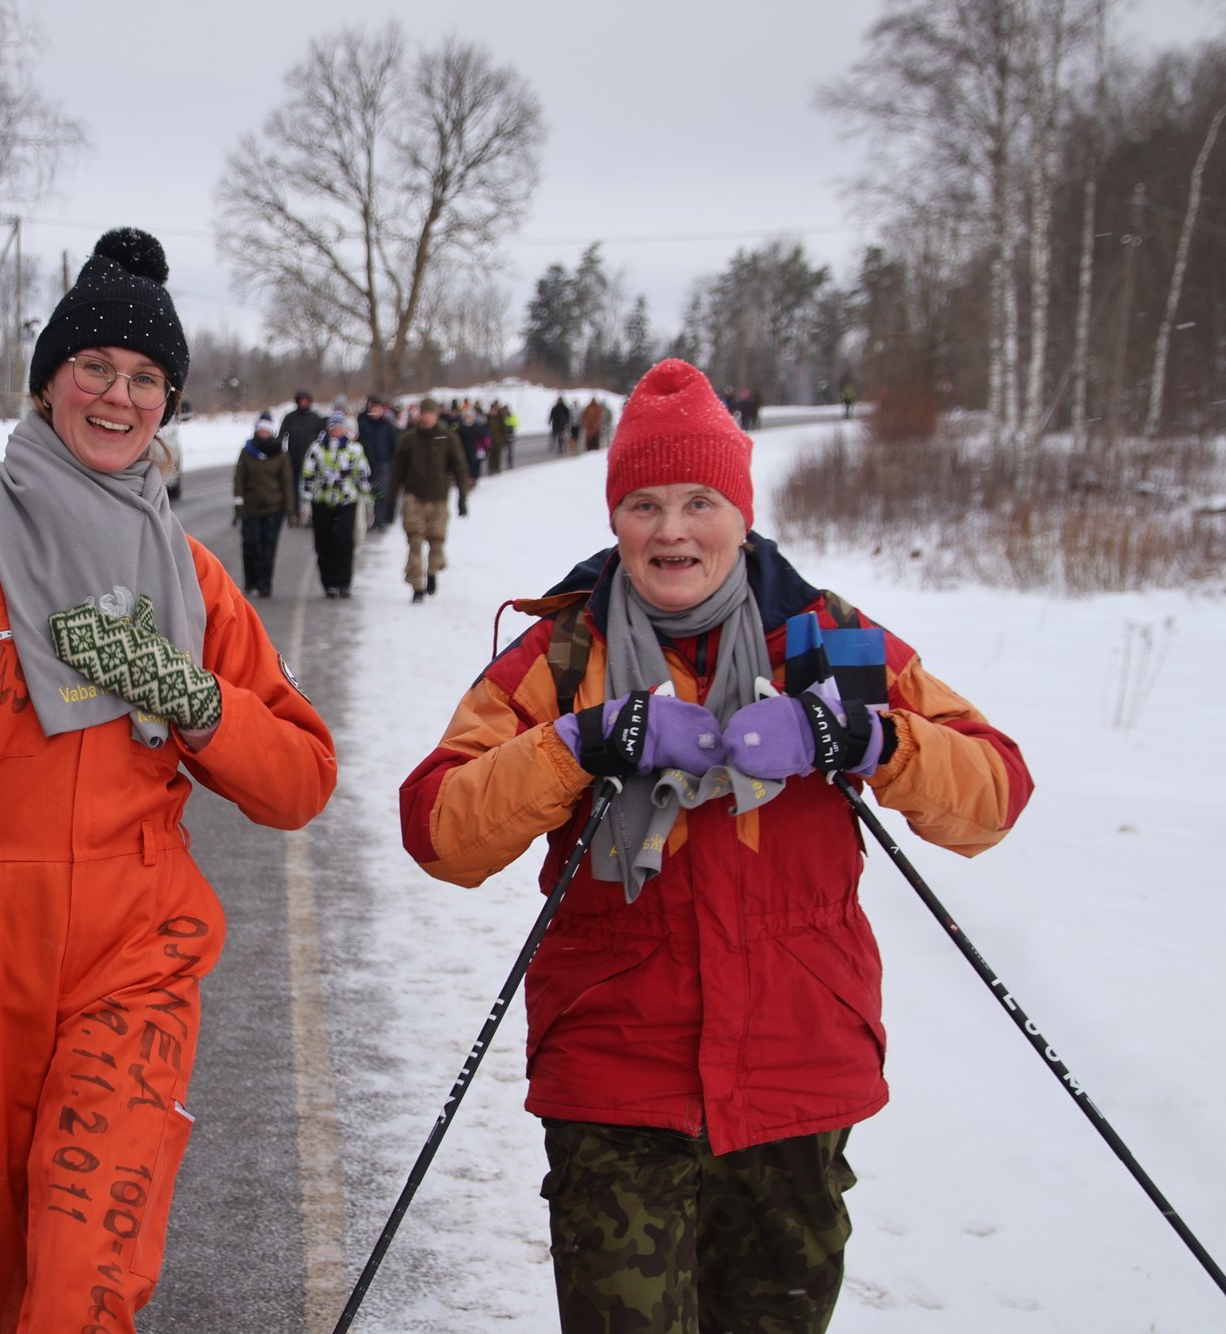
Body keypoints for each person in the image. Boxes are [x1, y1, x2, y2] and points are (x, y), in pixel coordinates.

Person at [397, 357, 1032, 1333]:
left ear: (739, 509)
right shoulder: (565, 656)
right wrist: (579, 742)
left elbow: (990, 793)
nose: (671, 529)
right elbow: (440, 826)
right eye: (643, 502)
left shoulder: (829, 640)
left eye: (699, 499)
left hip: (793, 1074)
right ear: (614, 516)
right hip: (614, 1076)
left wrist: (860, 735)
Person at [0, 227, 338, 1334]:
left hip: (132, 950)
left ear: (166, 405)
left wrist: (190, 695)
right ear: (47, 381)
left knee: (83, 1290)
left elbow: (299, 780)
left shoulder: (190, 579)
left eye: (144, 380)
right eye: (93, 367)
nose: (116, 396)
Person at [387, 396, 472, 604]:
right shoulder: (409, 439)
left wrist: (463, 497)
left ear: (436, 415)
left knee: (436, 543)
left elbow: (460, 468)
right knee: (415, 542)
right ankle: (417, 586)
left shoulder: (448, 438)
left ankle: (432, 572)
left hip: (438, 499)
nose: (427, 418)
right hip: (414, 498)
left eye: (431, 414)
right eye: (424, 413)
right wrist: (390, 501)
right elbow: (397, 471)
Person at [298, 410, 371, 598]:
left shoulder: (354, 449)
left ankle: (344, 582)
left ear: (345, 429)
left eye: (340, 427)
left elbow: (362, 475)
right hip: (321, 502)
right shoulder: (317, 449)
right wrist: (305, 500)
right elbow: (308, 475)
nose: (336, 431)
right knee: (323, 544)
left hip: (346, 501)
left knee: (344, 542)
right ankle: (329, 583)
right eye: (333, 427)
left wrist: (369, 499)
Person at [234, 410, 290, 596]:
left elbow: (287, 482)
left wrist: (290, 509)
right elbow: (239, 479)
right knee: (250, 545)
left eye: (267, 431)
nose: (264, 434)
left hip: (274, 508)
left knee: (268, 548)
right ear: (257, 431)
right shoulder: (247, 451)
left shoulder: (280, 454)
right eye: (261, 430)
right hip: (251, 507)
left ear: (271, 432)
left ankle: (265, 584)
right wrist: (238, 504)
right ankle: (251, 582)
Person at [277, 389, 323, 522]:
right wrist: (278, 450)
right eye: (301, 400)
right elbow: (282, 435)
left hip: (312, 460)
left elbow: (324, 434)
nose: (303, 403)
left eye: (305, 400)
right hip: (293, 458)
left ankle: (311, 515)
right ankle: (294, 513)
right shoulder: (290, 417)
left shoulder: (315, 417)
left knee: (312, 487)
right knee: (294, 488)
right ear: (297, 402)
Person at [358, 395, 401, 531]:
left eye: (378, 409)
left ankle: (381, 519)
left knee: (381, 493)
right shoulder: (364, 425)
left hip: (383, 464)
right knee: (368, 492)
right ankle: (368, 519)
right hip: (366, 463)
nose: (375, 412)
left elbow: (396, 445)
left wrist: (393, 462)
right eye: (373, 409)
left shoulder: (388, 426)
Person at [457, 404, 489, 484]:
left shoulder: (477, 427)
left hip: (476, 450)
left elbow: (484, 439)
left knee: (475, 466)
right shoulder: (461, 428)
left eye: (470, 416)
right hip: (464, 450)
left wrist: (484, 449)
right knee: (465, 466)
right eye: (466, 416)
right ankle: (466, 479)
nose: (468, 417)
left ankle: (474, 479)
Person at [487, 399, 514, 474]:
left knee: (497, 455)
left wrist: (502, 438)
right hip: (489, 440)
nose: (493, 411)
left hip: (498, 440)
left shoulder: (500, 417)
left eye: (494, 409)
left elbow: (504, 429)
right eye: (492, 409)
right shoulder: (488, 417)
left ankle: (497, 468)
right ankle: (490, 469)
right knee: (490, 456)